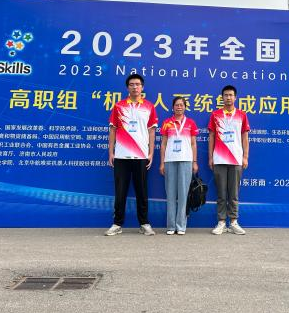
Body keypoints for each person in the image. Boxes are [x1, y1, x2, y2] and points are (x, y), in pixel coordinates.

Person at [105, 73, 158, 236]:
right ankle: (117, 224)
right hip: (121, 156)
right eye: (132, 84)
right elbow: (113, 130)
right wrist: (111, 152)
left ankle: (144, 223)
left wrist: (151, 153)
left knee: (142, 191)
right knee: (120, 191)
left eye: (138, 84)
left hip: (141, 156)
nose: (135, 87)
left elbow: (152, 131)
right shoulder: (119, 106)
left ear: (142, 87)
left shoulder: (149, 106)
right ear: (127, 87)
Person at [208, 84, 250, 235]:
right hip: (219, 158)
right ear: (222, 97)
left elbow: (245, 137)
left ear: (235, 97)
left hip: (236, 158)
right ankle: (221, 222)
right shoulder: (215, 115)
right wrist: (210, 157)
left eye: (231, 95)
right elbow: (211, 136)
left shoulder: (242, 115)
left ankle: (233, 222)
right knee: (221, 193)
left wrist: (245, 157)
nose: (228, 97)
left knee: (234, 193)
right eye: (226, 95)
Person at [159, 97, 199, 235]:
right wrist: (162, 163)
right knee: (170, 194)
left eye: (181, 105)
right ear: (173, 107)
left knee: (183, 194)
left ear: (185, 107)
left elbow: (193, 144)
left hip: (186, 160)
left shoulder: (191, 123)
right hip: (170, 160)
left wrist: (194, 161)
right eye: (177, 105)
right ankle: (171, 226)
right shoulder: (166, 123)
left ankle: (181, 226)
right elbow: (163, 144)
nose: (179, 107)